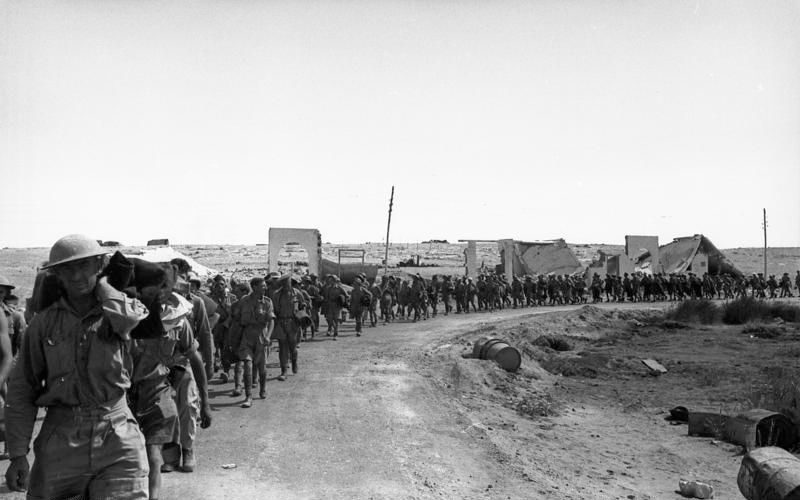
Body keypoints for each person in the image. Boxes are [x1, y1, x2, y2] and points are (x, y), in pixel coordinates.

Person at [5, 234, 150, 499]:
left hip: (117, 434)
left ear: (99, 264)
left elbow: (129, 318)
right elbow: (22, 388)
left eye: (84, 266)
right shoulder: (43, 324)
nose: (76, 276)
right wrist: (17, 454)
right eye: (67, 269)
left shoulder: (118, 312)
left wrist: (105, 286)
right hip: (61, 437)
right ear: (57, 274)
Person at [234, 277, 273, 408]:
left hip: (261, 336)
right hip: (247, 336)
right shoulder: (244, 301)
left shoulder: (267, 302)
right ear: (254, 287)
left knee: (262, 368)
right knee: (248, 366)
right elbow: (237, 318)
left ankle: (263, 389)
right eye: (262, 286)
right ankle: (248, 396)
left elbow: (271, 320)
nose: (265, 288)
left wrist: (268, 336)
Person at [271, 275, 307, 380]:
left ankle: (294, 362)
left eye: (288, 283)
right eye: (284, 284)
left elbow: (303, 303)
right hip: (281, 322)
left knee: (293, 346)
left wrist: (302, 313)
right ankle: (284, 371)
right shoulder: (276, 295)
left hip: (293, 323)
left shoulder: (297, 293)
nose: (286, 286)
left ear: (290, 283)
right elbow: (273, 309)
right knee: (282, 347)